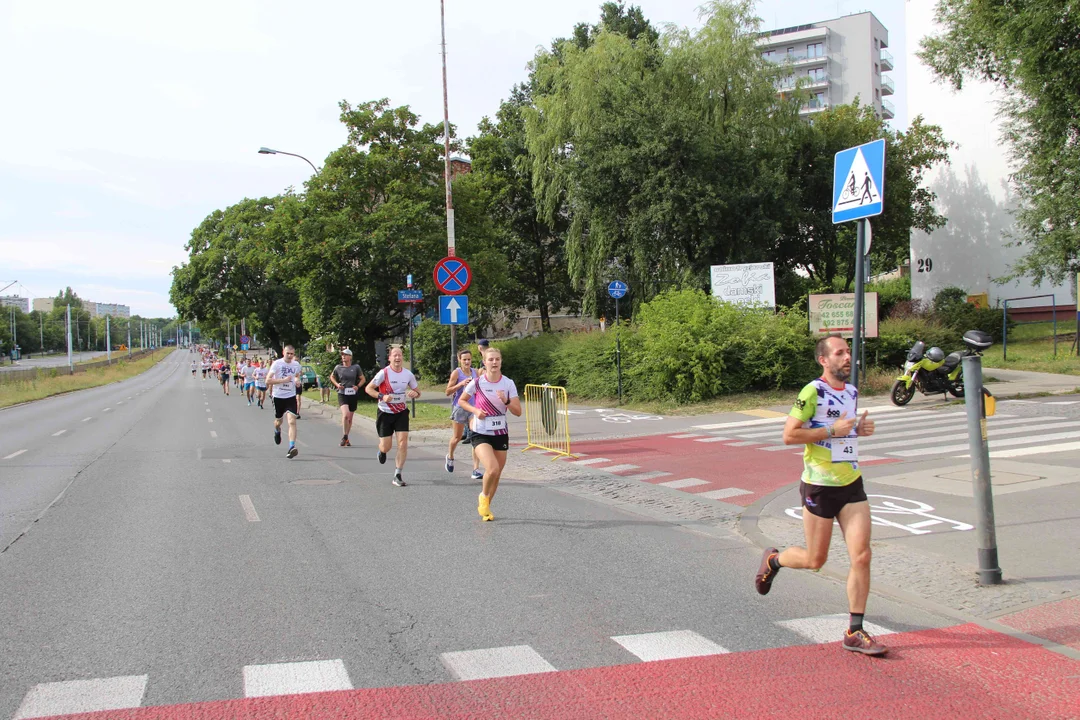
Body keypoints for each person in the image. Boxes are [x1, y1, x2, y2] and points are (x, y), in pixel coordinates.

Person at [754, 334, 884, 656]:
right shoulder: (812, 391)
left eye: (847, 352)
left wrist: (860, 431)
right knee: (816, 560)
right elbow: (789, 435)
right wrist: (830, 431)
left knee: (862, 555)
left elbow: (846, 431)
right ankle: (774, 560)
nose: (846, 357)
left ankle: (854, 631)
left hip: (851, 482)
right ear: (823, 360)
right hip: (820, 485)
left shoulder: (852, 392)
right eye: (839, 353)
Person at [457, 347, 521, 521]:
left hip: (500, 432)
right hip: (480, 432)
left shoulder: (508, 383)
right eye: (490, 359)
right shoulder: (477, 383)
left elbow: (518, 412)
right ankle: (483, 496)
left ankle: (486, 507)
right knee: (491, 468)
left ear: (501, 361)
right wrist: (475, 410)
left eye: (497, 359)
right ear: (484, 362)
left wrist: (505, 400)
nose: (494, 362)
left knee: (497, 473)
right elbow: (462, 401)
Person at [365, 346, 420, 486]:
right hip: (385, 412)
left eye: (399, 355)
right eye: (394, 355)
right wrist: (382, 396)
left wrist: (415, 394)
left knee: (403, 442)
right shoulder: (383, 373)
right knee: (386, 446)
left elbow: (417, 391)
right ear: (389, 358)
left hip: (401, 412)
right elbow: (368, 389)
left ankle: (398, 474)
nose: (397, 358)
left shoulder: (408, 374)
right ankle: (381, 451)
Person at [445, 348, 482, 480]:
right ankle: (450, 456)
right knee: (457, 437)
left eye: (469, 359)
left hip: (473, 408)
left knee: (475, 437)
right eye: (464, 359)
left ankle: (476, 469)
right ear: (459, 360)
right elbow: (447, 392)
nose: (467, 362)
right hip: (460, 407)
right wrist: (460, 384)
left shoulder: (475, 372)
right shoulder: (456, 373)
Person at [266, 345, 302, 458]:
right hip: (278, 396)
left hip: (291, 396)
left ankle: (292, 447)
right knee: (279, 421)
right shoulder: (277, 364)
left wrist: (297, 381)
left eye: (292, 354)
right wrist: (283, 380)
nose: (290, 356)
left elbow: (296, 376)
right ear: (283, 352)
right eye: (288, 353)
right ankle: (277, 430)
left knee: (292, 421)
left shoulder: (296, 365)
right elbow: (268, 380)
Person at [330, 348, 366, 447]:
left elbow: (363, 379)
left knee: (349, 418)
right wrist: (337, 384)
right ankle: (345, 437)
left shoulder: (356, 367)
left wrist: (357, 386)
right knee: (345, 415)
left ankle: (346, 437)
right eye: (342, 355)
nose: (343, 356)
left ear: (350, 357)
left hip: (352, 394)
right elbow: (332, 377)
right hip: (342, 393)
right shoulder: (338, 367)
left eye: (345, 355)